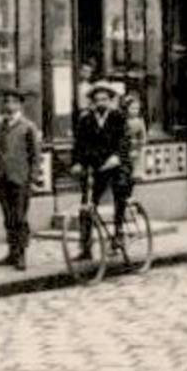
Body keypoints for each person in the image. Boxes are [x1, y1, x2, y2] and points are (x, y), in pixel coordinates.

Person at [72, 81, 131, 259]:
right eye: (97, 100)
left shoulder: (118, 117)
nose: (101, 103)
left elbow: (125, 140)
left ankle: (119, 232)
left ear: (111, 100)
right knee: (87, 204)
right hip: (96, 166)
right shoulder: (85, 120)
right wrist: (77, 162)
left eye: (104, 99)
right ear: (92, 102)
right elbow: (79, 145)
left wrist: (117, 157)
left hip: (116, 164)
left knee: (120, 188)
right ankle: (86, 246)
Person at [0, 87, 42, 270]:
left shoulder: (28, 127)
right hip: (2, 179)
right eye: (6, 102)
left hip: (21, 179)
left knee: (20, 218)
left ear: (20, 105)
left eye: (13, 102)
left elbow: (35, 155)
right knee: (8, 218)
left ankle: (21, 255)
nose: (9, 106)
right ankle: (11, 252)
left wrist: (33, 179)